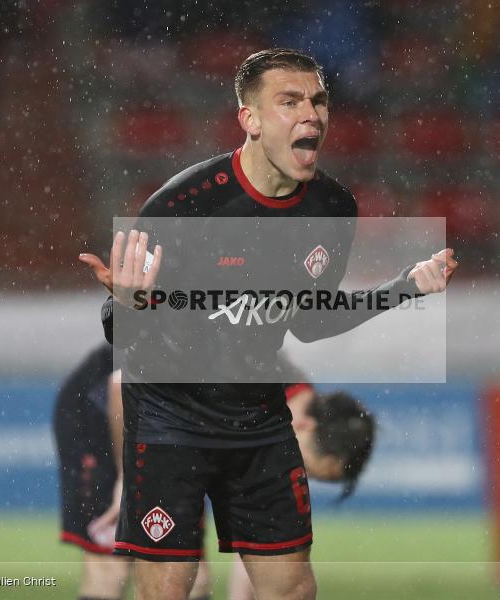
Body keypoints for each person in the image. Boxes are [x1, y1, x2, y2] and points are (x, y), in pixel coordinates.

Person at [79, 48, 457, 600]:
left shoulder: (332, 209)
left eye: (319, 101)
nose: (311, 114)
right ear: (250, 119)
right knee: (170, 589)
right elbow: (119, 329)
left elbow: (309, 323)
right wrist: (132, 302)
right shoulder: (185, 204)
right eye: (289, 101)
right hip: (169, 419)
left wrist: (405, 288)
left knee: (293, 589)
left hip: (258, 420)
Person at [54, 343, 375, 600]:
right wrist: (127, 479)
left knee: (190, 576)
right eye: (308, 468)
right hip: (105, 410)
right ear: (305, 426)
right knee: (110, 564)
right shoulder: (250, 382)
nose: (299, 475)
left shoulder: (277, 419)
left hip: (172, 431)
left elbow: (258, 539)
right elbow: (120, 382)